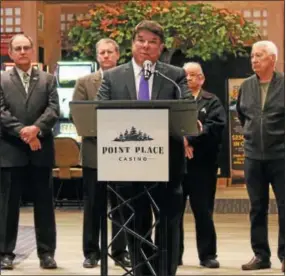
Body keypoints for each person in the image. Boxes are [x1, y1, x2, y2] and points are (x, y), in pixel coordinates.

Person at [97, 20, 191, 276]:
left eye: (152, 42)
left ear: (160, 48)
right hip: (128, 164)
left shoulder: (174, 75)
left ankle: (165, 272)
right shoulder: (113, 77)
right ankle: (141, 271)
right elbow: (100, 112)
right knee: (135, 223)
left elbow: (186, 109)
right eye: (141, 40)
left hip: (168, 165)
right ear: (132, 44)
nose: (146, 46)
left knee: (168, 225)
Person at [0, 34, 59, 270]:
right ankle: (5, 253)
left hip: (41, 150)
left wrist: (36, 130)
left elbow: (54, 109)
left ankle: (46, 253)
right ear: (11, 53)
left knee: (44, 205)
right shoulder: (2, 80)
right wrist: (24, 132)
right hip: (10, 151)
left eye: (26, 47)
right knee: (7, 207)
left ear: (32, 51)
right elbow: (1, 112)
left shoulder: (48, 79)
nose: (23, 51)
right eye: (18, 48)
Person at [72, 38, 130, 268]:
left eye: (109, 52)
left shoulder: (128, 81)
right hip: (94, 152)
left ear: (117, 55)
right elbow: (79, 115)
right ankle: (91, 252)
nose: (105, 56)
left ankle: (119, 251)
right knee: (93, 205)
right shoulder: (84, 82)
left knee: (121, 205)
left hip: (121, 152)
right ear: (97, 56)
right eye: (101, 52)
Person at [236, 40, 284, 272]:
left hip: (281, 156)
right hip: (253, 156)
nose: (254, 60)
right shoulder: (246, 86)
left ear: (272, 59)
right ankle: (261, 255)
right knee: (257, 207)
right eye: (253, 56)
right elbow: (243, 116)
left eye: (260, 56)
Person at [178, 62, 226, 268]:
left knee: (203, 211)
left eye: (193, 75)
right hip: (177, 165)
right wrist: (182, 141)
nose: (188, 79)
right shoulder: (175, 100)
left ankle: (207, 255)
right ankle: (172, 253)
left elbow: (215, 128)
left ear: (202, 79)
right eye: (185, 76)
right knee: (173, 212)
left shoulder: (211, 101)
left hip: (202, 166)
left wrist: (191, 139)